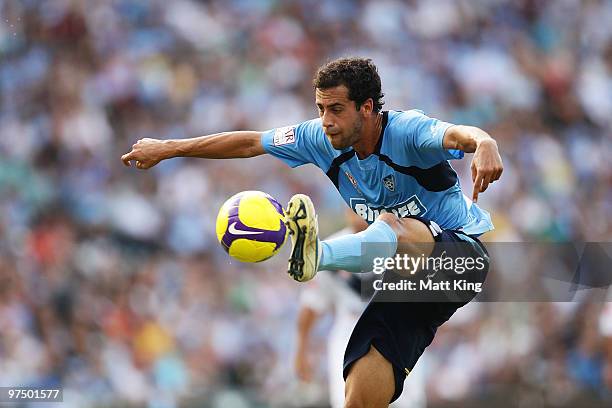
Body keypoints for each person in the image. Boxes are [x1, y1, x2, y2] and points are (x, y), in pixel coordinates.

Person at [121, 57, 503, 407]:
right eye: (320, 109)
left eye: (336, 109)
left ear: (367, 108)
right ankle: (318, 258)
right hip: (408, 284)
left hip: (462, 258)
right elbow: (250, 143)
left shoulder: (407, 132)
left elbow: (457, 135)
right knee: (358, 399)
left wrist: (485, 142)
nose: (326, 120)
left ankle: (317, 257)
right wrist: (168, 148)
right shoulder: (320, 139)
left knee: (391, 224)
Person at [295, 209, 427, 408]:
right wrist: (301, 351)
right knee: (349, 401)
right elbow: (311, 305)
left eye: (363, 210)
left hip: (397, 324)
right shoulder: (332, 248)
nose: (358, 216)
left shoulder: (400, 242)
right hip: (350, 329)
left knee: (406, 402)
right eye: (352, 209)